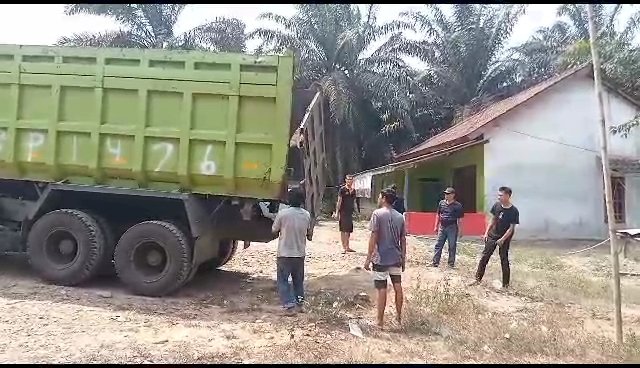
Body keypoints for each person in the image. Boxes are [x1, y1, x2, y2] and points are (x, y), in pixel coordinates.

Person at [364, 188, 407, 329]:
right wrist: (403, 258)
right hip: (396, 257)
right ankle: (399, 318)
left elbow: (373, 237)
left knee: (381, 288)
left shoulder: (377, 214)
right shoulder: (400, 217)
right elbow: (403, 240)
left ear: (383, 198)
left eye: (379, 196)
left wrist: (368, 258)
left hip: (380, 258)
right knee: (397, 286)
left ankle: (380, 321)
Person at [469, 186, 519, 290]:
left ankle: (505, 285)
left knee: (504, 260)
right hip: (492, 235)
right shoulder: (496, 206)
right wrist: (486, 233)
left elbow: (511, 228)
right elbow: (492, 220)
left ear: (507, 196)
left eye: (501, 195)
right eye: (498, 195)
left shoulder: (514, 211)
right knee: (484, 257)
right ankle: (477, 279)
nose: (498, 197)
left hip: (504, 238)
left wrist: (503, 239)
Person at [272, 188, 312, 315]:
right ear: (302, 201)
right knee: (298, 281)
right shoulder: (306, 215)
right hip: (299, 253)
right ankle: (299, 304)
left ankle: (289, 306)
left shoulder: (283, 214)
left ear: (289, 199)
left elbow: (274, 229)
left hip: (284, 252)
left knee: (283, 280)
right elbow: (308, 232)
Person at [432, 187, 464, 268]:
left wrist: (460, 231)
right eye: (445, 194)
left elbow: (460, 219)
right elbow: (438, 215)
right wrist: (436, 226)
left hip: (452, 227)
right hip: (442, 227)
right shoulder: (441, 203)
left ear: (453, 195)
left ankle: (451, 264)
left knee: (452, 246)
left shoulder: (458, 206)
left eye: (448, 194)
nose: (446, 195)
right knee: (438, 244)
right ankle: (435, 262)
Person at [334, 175, 360, 253]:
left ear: (352, 181)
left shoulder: (353, 191)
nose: (349, 181)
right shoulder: (342, 189)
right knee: (343, 229)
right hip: (343, 212)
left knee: (348, 230)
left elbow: (354, 202)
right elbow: (339, 201)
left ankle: (347, 246)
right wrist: (337, 212)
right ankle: (344, 247)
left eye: (351, 180)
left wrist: (357, 212)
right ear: (345, 180)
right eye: (348, 179)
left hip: (350, 213)